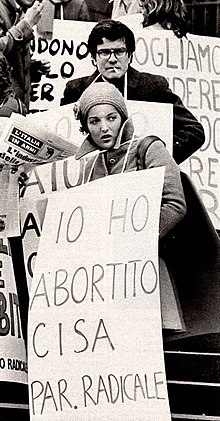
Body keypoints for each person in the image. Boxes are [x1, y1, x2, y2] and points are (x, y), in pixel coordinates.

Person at [74, 81, 187, 330]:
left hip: (145, 268)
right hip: (104, 277)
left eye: (111, 118)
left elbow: (174, 204)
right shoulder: (88, 166)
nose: (104, 127)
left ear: (123, 118)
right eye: (94, 121)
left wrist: (136, 240)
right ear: (86, 127)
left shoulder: (149, 149)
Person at [61, 19, 205, 165]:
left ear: (130, 56)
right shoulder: (76, 90)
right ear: (93, 58)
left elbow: (194, 131)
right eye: (104, 52)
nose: (112, 59)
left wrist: (155, 158)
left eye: (119, 52)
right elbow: (62, 138)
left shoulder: (153, 87)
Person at [0, 0, 51, 110]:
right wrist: (26, 24)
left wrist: (30, 69)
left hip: (16, 107)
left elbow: (9, 60)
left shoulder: (21, 8)